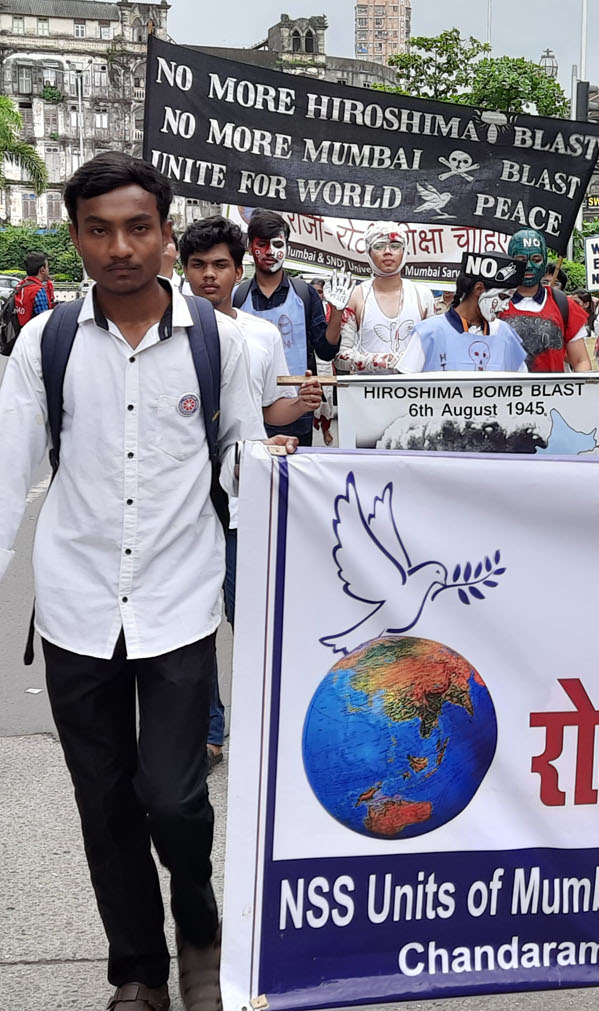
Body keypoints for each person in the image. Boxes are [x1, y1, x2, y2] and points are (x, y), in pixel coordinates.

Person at [0, 152, 299, 1011]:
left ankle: (198, 927)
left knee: (173, 798)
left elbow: (244, 459)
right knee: (105, 804)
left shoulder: (224, 343)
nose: (121, 247)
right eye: (100, 230)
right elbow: (8, 465)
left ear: (166, 233)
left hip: (177, 601)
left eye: (139, 228)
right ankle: (138, 969)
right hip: (74, 604)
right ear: (76, 239)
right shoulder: (44, 339)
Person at [179, 215, 322, 769]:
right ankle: (209, 731)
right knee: (195, 619)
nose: (209, 275)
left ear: (237, 271)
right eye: (198, 265)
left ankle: (267, 725)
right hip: (187, 504)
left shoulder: (259, 336)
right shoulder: (171, 332)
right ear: (185, 271)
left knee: (250, 618)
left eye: (220, 265)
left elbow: (264, 414)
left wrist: (304, 404)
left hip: (243, 501)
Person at [233, 210, 335, 446]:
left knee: (294, 477)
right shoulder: (238, 297)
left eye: (277, 244)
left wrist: (338, 312)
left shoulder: (305, 295)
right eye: (262, 244)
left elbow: (326, 351)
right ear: (250, 247)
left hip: (296, 409)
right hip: (250, 409)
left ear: (288, 247)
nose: (270, 252)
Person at [323, 223, 432, 374]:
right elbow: (340, 357)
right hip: (368, 392)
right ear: (368, 252)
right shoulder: (355, 296)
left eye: (395, 246)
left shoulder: (423, 295)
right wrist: (391, 361)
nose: (388, 252)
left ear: (405, 251)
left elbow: (434, 348)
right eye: (379, 246)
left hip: (413, 392)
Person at [410, 255, 527, 373]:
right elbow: (403, 387)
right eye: (503, 297)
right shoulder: (427, 332)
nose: (506, 306)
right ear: (479, 289)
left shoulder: (506, 334)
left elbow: (523, 385)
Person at [500, 228, 592, 372]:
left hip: (552, 393)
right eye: (521, 260)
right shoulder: (493, 303)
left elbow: (581, 361)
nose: (529, 266)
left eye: (536, 260)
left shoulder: (564, 305)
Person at [14, 251, 55, 329]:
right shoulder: (38, 291)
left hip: (17, 334)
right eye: (47, 267)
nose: (48, 270)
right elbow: (43, 322)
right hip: (32, 336)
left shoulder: (20, 286)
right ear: (42, 270)